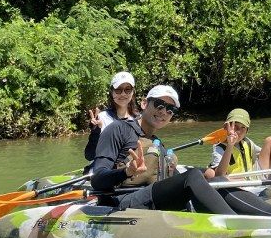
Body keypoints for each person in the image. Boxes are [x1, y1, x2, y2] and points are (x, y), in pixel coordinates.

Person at [90, 84, 237, 214]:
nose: (164, 112)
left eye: (170, 109)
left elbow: (173, 180)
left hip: (153, 202)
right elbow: (97, 179)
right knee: (192, 176)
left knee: (215, 180)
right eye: (159, 104)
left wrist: (206, 172)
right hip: (121, 203)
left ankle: (257, 218)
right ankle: (234, 223)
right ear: (144, 104)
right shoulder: (118, 129)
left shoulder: (157, 144)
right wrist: (126, 171)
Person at [205, 108, 271, 183]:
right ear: (226, 127)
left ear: (247, 131)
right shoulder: (219, 148)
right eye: (235, 127)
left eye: (243, 128)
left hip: (254, 176)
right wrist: (230, 145)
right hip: (237, 183)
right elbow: (219, 176)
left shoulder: (247, 142)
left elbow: (270, 156)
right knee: (210, 173)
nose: (239, 131)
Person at [84, 71, 139, 163]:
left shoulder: (138, 119)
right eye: (118, 89)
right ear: (112, 92)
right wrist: (95, 132)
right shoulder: (102, 118)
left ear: (133, 92)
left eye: (127, 89)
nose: (123, 94)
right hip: (103, 171)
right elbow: (90, 156)